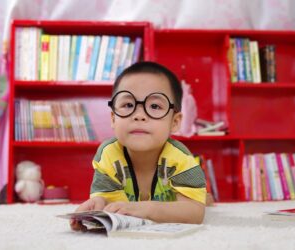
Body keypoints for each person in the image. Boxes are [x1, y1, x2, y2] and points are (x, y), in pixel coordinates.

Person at [71, 61, 206, 231]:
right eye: (128, 105)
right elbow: (109, 200)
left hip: (176, 200)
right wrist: (98, 204)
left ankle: (206, 196)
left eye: (155, 106)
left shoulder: (181, 159)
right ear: (113, 118)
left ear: (175, 122)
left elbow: (195, 212)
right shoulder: (108, 154)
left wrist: (145, 209)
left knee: (203, 199)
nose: (139, 115)